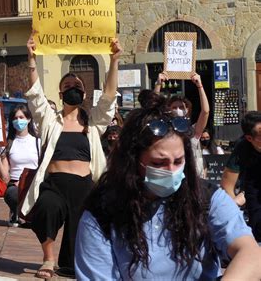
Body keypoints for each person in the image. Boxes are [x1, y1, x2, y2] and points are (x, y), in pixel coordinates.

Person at [75, 99, 261, 280]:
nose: (171, 171)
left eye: (178, 161)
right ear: (132, 162)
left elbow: (251, 254)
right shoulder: (101, 213)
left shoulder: (206, 198)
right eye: (158, 163)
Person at [23, 33, 122, 279]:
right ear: (60, 92)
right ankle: (48, 259)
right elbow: (35, 96)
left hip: (83, 186)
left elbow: (109, 97)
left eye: (77, 87)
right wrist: (31, 59)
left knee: (73, 253)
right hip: (54, 184)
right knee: (46, 208)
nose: (72, 89)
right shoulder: (50, 120)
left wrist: (114, 60)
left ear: (85, 94)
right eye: (67, 86)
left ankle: (69, 263)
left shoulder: (94, 122)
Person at [0, 105, 40, 227]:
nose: (18, 121)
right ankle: (15, 212)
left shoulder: (38, 142)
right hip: (15, 184)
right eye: (15, 118)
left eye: (21, 117)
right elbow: (5, 178)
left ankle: (31, 215)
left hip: (34, 183)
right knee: (12, 193)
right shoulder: (8, 144)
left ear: (28, 119)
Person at [155, 72, 209, 177]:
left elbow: (205, 111)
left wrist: (200, 86)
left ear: (188, 110)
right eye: (174, 107)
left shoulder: (193, 131)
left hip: (191, 176)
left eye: (181, 107)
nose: (178, 110)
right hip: (172, 174)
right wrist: (158, 85)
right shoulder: (165, 128)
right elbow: (153, 111)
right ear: (169, 110)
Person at [221, 111, 261, 240]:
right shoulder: (242, 148)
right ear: (250, 138)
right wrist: (235, 207)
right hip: (253, 189)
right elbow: (227, 184)